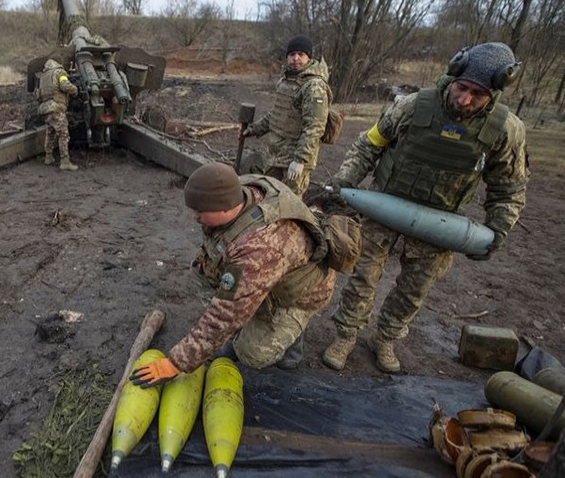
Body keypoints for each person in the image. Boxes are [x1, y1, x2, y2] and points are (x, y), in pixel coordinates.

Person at [322, 42, 528, 373]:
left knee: (414, 289)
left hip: (441, 223)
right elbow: (369, 144)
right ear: (453, 74)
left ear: (495, 93)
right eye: (461, 88)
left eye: (477, 94)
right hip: (384, 207)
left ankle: (386, 337)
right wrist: (345, 182)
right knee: (362, 277)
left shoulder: (505, 130)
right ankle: (346, 334)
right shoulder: (413, 106)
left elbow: (509, 187)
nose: (464, 100)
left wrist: (498, 229)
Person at [129, 162, 360, 388]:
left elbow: (224, 316)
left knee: (251, 353)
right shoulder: (238, 190)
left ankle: (294, 335)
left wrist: (175, 363)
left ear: (224, 209)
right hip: (269, 273)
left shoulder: (259, 247)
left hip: (301, 293)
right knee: (201, 271)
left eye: (200, 211)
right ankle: (250, 314)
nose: (194, 217)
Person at [241, 35, 332, 196]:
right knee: (267, 197)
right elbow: (277, 114)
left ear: (309, 57)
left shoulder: (314, 86)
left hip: (294, 160)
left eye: (301, 54)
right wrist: (254, 129)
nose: (295, 58)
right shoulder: (287, 80)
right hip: (276, 155)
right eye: (292, 54)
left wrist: (300, 160)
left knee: (288, 204)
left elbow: (314, 127)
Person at [37, 58, 80, 171]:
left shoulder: (43, 77)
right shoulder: (59, 72)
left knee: (50, 133)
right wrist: (75, 90)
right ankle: (65, 161)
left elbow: (38, 95)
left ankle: (48, 157)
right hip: (56, 107)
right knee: (63, 134)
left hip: (46, 109)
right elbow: (65, 85)